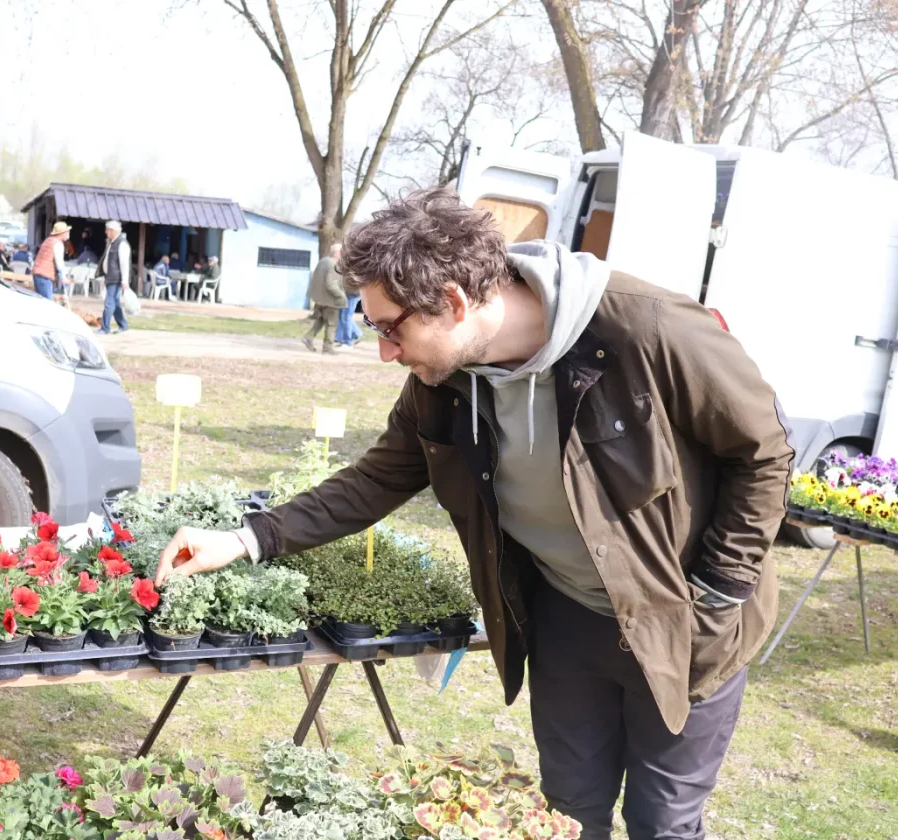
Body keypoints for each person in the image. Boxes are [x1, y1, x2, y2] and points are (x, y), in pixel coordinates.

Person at [154, 187, 793, 840]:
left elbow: (765, 453)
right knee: (569, 814)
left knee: (663, 824)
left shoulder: (648, 327)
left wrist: (719, 591)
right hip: (567, 621)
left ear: (454, 302)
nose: (384, 351)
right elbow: (376, 479)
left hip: (682, 618)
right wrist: (247, 539)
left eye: (390, 328)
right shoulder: (444, 378)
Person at [302, 243, 346, 354]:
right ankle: (327, 348)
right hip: (330, 300)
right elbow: (331, 284)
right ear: (336, 253)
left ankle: (308, 337)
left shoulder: (323, 261)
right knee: (332, 324)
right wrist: (341, 295)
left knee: (321, 320)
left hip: (320, 299)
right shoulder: (334, 265)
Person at [96, 220, 130, 334]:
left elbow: (124, 264)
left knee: (109, 303)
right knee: (115, 303)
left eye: (107, 230)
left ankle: (105, 328)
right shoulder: (112, 242)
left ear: (113, 231)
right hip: (110, 277)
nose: (106, 232)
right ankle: (123, 325)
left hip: (116, 278)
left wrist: (124, 280)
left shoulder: (122, 244)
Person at [31, 221, 70, 299]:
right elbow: (59, 263)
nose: (68, 234)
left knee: (39, 299)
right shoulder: (58, 244)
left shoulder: (48, 240)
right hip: (45, 275)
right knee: (46, 301)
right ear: (62, 233)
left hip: (37, 272)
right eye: (66, 232)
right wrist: (63, 277)